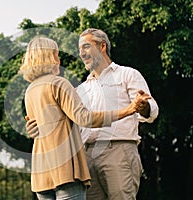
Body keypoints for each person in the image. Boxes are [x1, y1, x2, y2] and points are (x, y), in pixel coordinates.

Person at [26, 29, 159, 200]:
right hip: (85, 156)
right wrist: (35, 129)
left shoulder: (128, 74)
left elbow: (152, 111)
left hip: (118, 151)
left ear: (102, 46)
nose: (81, 53)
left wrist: (142, 106)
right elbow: (71, 121)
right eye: (79, 49)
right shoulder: (80, 89)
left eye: (86, 47)